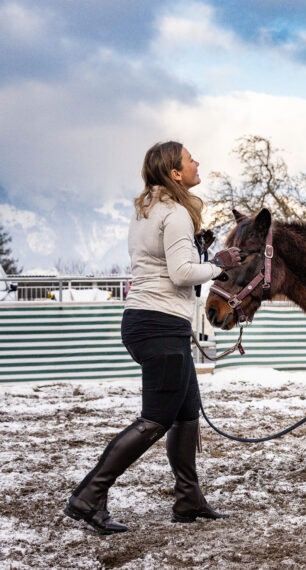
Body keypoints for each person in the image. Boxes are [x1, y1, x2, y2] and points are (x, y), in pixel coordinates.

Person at [64, 141, 241, 534]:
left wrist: (199, 252)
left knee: (186, 413)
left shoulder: (148, 209)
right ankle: (88, 497)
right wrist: (217, 265)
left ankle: (188, 499)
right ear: (175, 174)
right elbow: (181, 275)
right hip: (160, 324)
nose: (197, 162)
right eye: (189, 159)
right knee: (156, 419)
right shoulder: (175, 213)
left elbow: (164, 265)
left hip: (148, 321)